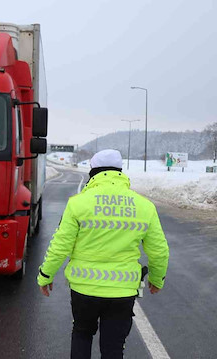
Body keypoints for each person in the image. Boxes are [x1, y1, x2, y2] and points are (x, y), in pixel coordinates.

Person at [37, 149, 169, 359]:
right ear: (119, 171)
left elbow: (61, 245)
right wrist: (156, 279)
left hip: (84, 289)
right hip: (122, 292)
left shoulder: (78, 203)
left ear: (93, 171)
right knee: (113, 347)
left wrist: (46, 275)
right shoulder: (145, 206)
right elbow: (159, 250)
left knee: (82, 334)